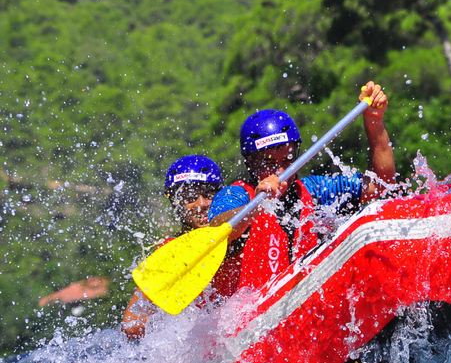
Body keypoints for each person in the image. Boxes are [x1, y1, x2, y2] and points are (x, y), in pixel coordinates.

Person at [208, 81, 396, 291]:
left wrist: (374, 120)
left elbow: (380, 185)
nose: (280, 172)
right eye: (269, 162)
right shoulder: (236, 195)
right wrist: (257, 205)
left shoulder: (315, 190)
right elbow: (217, 229)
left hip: (305, 309)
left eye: (287, 159)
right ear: (251, 162)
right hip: (252, 316)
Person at [121, 155, 224, 340]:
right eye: (190, 197)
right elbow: (132, 325)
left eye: (208, 195)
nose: (201, 204)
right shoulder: (170, 250)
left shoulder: (239, 233)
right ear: (176, 204)